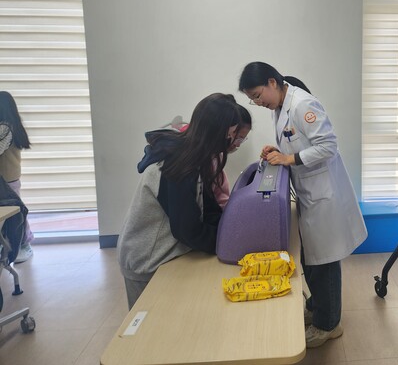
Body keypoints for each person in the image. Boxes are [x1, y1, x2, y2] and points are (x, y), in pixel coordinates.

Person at [239, 61, 367, 348]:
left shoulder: (302, 104)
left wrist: (289, 158)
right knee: (311, 260)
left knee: (324, 262)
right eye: (252, 99)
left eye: (257, 95)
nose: (257, 103)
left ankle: (329, 324)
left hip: (324, 195)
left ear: (272, 82)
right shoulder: (280, 106)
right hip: (310, 194)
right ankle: (318, 308)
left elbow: (328, 146)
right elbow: (297, 142)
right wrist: (278, 151)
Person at [117, 93, 243, 309]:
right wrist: (230, 243)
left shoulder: (195, 156)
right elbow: (187, 229)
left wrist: (234, 232)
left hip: (166, 253)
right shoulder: (178, 164)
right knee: (150, 323)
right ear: (217, 132)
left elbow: (209, 208)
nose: (231, 141)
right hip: (147, 258)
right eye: (230, 134)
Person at [0, 91, 35, 263]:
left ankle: (23, 244)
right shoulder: (12, 125)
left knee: (14, 213)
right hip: (10, 177)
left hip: (6, 179)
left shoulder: (5, 128)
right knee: (14, 212)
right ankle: (19, 244)